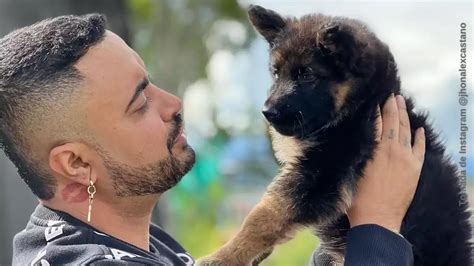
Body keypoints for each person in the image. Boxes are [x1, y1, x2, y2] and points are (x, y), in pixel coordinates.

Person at [0, 14, 425, 266]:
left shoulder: (130, 242)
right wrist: (378, 228)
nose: (173, 103)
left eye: (151, 83)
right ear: (76, 164)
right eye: (139, 103)